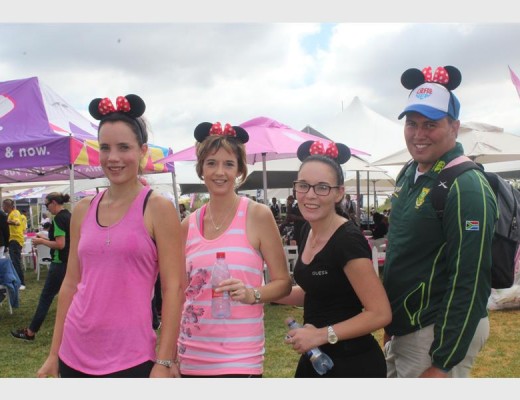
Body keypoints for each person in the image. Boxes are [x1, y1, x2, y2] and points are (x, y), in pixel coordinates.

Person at [37, 94, 186, 378]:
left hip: (132, 358)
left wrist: (165, 360)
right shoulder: (83, 209)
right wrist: (54, 353)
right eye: (105, 148)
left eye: (124, 147)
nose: (113, 157)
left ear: (142, 151)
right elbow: (70, 284)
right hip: (73, 352)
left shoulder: (158, 208)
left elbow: (174, 289)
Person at [383, 66, 498, 378]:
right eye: (412, 123)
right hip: (405, 327)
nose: (418, 134)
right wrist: (391, 324)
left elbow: (470, 280)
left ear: (454, 128)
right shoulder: (409, 172)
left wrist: (443, 361)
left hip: (434, 333)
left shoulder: (467, 186)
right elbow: (403, 252)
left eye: (430, 124)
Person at [177, 121, 292, 377]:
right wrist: (171, 356)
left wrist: (253, 294)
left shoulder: (258, 215)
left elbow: (283, 283)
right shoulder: (187, 225)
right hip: (191, 355)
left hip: (240, 358)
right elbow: (180, 293)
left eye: (229, 164)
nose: (220, 172)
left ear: (240, 170)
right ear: (201, 168)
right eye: (211, 163)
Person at [277, 140, 392, 378]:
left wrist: (320, 334)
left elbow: (380, 313)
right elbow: (318, 290)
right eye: (303, 185)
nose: (310, 195)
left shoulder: (347, 240)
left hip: (353, 363)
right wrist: (260, 293)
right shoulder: (306, 230)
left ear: (339, 193)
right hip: (317, 357)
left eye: (322, 187)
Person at [11, 192, 72, 342]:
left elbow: (60, 244)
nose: (47, 208)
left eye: (46, 205)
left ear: (53, 203)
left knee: (46, 297)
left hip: (59, 263)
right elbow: (64, 239)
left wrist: (41, 242)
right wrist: (44, 237)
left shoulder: (58, 219)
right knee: (72, 297)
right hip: (69, 262)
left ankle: (30, 332)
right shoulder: (69, 216)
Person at [2, 199, 26, 289]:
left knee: (16, 262)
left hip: (15, 240)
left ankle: (21, 283)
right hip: (13, 240)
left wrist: (7, 221)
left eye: (3, 206)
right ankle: (17, 281)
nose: (2, 208)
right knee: (14, 261)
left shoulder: (15, 213)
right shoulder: (10, 214)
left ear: (7, 206)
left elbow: (17, 222)